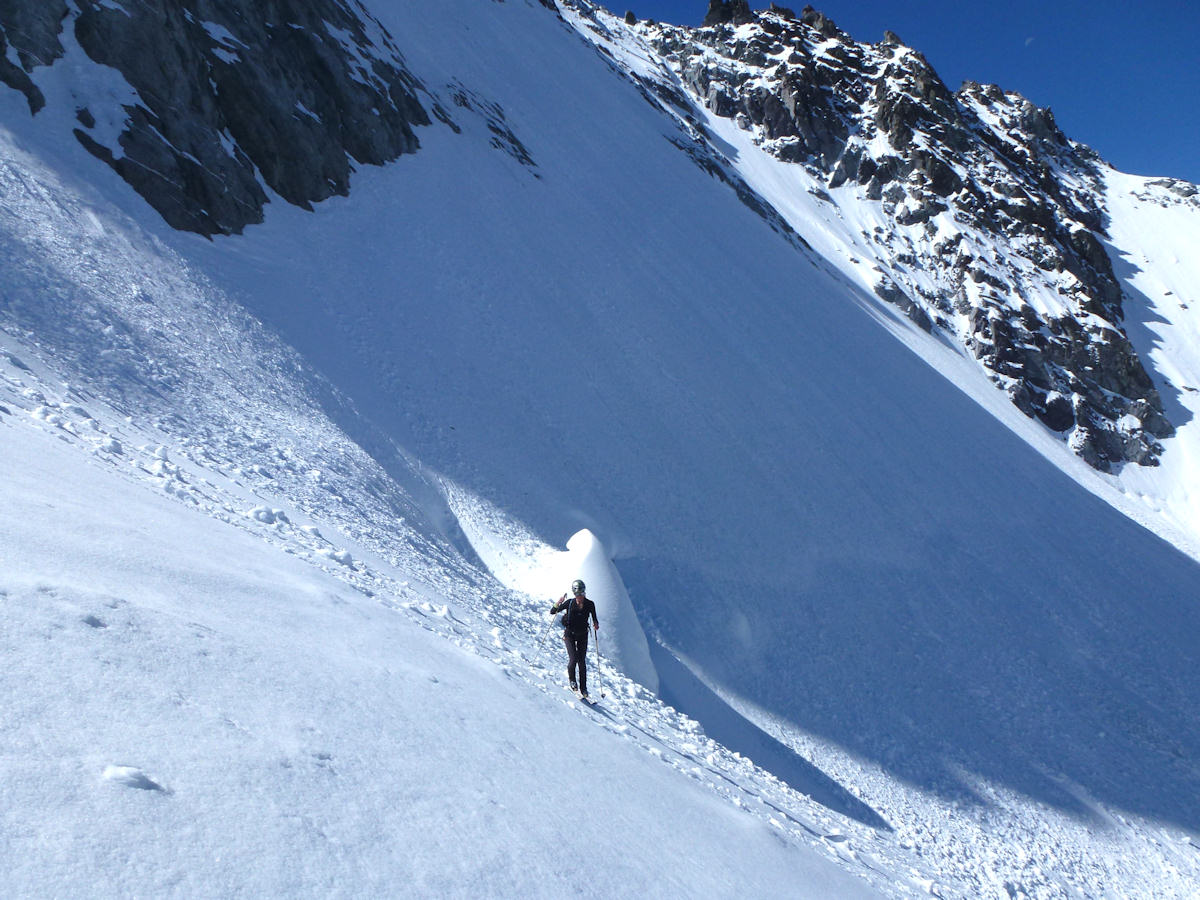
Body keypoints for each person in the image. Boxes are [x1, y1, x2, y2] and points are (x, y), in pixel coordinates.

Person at [550, 579, 599, 698]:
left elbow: (594, 617)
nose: (579, 596)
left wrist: (596, 624)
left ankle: (583, 688)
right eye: (577, 594)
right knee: (573, 659)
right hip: (569, 634)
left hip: (583, 635)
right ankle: (573, 681)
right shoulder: (570, 603)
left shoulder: (590, 604)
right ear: (574, 593)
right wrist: (559, 602)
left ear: (584, 592)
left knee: (582, 661)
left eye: (581, 593)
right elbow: (553, 611)